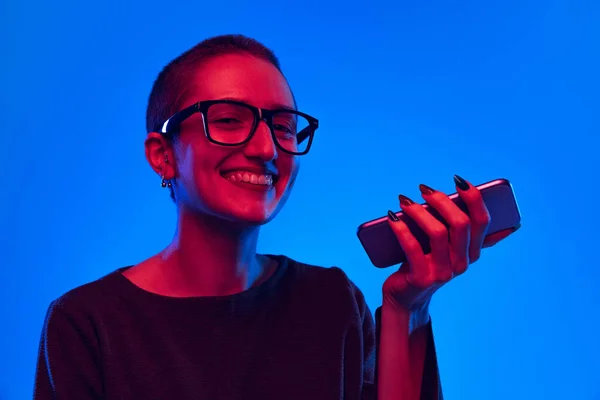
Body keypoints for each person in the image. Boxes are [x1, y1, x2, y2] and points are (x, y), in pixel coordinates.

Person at [33, 34, 518, 400]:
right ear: (162, 155)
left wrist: (408, 306)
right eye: (227, 120)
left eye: (283, 126)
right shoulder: (86, 323)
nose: (267, 148)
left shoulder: (331, 301)